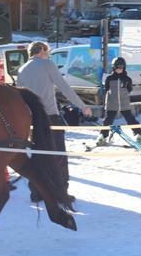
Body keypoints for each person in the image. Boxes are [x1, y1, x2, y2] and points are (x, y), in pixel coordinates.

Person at [17, 40, 92, 190]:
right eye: (48, 52)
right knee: (59, 154)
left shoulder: (21, 69)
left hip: (32, 119)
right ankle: (62, 188)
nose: (48, 55)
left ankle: (37, 190)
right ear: (42, 51)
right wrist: (83, 106)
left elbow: (20, 97)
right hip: (50, 116)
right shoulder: (48, 64)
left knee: (38, 154)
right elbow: (64, 87)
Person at [97, 57, 141, 146]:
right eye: (117, 68)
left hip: (124, 102)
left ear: (124, 68)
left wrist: (123, 94)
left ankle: (139, 134)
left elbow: (130, 89)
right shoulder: (109, 78)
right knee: (108, 120)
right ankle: (103, 136)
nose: (119, 70)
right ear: (114, 68)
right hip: (112, 102)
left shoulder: (127, 79)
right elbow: (106, 89)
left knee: (130, 119)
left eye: (121, 68)